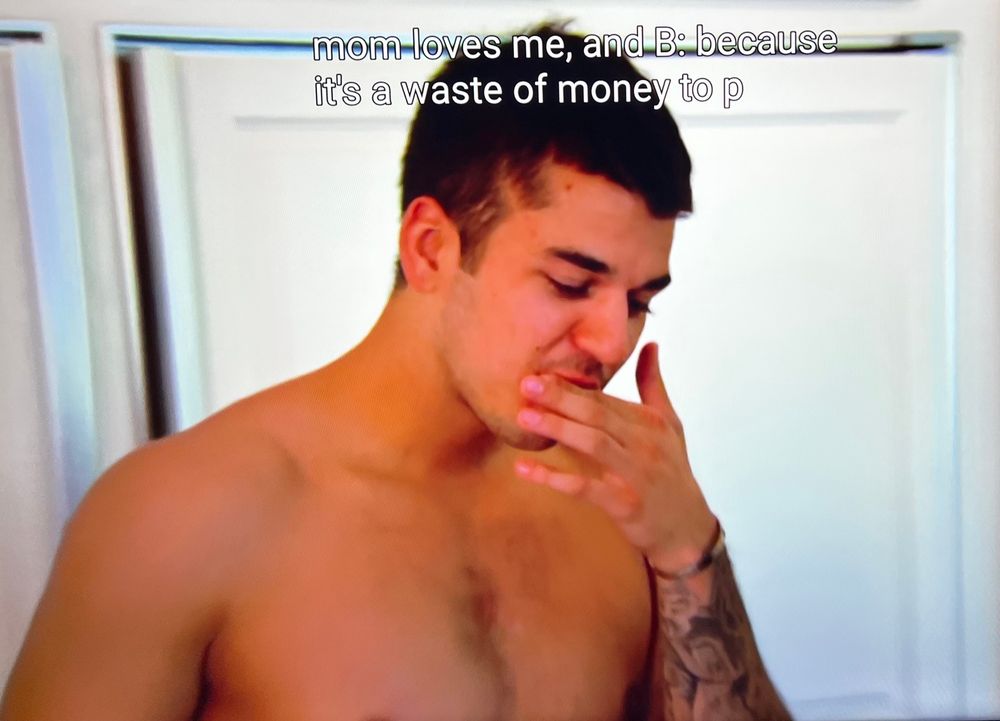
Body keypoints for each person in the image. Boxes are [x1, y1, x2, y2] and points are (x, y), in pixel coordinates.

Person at [1, 23, 792, 721]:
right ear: (431, 248)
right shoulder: (180, 515)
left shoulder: (619, 505)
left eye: (640, 300)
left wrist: (691, 550)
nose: (611, 340)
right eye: (569, 283)